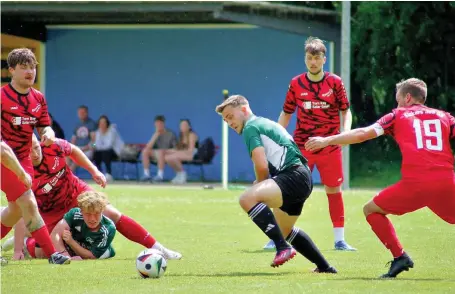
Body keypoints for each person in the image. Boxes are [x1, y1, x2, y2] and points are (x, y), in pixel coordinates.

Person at [305, 78, 455, 278]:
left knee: (371, 210)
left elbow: (362, 134)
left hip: (415, 184)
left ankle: (400, 256)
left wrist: (327, 140)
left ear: (408, 97)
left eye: (398, 99)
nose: (397, 103)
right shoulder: (445, 117)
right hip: (447, 181)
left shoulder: (398, 114)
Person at [4, 134, 182, 261]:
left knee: (111, 214)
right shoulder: (22, 171)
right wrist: (18, 249)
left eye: (36, 147)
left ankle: (158, 249)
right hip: (50, 210)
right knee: (44, 251)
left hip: (75, 192)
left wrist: (94, 171)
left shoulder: (52, 145)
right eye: (29, 151)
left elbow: (73, 150)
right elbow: (23, 211)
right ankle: (27, 240)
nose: (35, 153)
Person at [215, 95, 337, 272]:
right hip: (303, 177)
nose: (230, 123)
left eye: (230, 117)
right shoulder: (263, 122)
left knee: (247, 199)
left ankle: (282, 248)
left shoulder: (251, 127)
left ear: (243, 110)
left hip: (293, 176)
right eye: (226, 121)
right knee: (285, 230)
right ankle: (325, 267)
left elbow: (261, 164)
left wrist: (260, 184)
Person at [265, 37, 355, 251]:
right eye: (309, 57)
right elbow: (286, 113)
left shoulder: (335, 82)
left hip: (329, 145)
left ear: (324, 59)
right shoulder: (296, 83)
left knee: (334, 190)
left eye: (316, 57)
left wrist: (346, 133)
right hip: (302, 148)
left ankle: (340, 240)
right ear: (305, 59)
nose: (312, 62)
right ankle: (277, 237)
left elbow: (345, 110)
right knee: (290, 190)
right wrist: (276, 137)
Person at [0, 48, 70, 265]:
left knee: (15, 211)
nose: (30, 72)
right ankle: (53, 254)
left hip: (24, 159)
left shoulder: (38, 98)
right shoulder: (2, 98)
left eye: (32, 67)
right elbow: (2, 149)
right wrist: (21, 174)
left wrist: (49, 135)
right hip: (4, 159)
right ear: (12, 70)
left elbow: (45, 127)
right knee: (28, 202)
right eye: (24, 68)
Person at [30, 191, 116, 260]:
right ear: (81, 211)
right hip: (69, 249)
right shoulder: (75, 214)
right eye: (88, 214)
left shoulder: (108, 228)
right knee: (40, 252)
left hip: (91, 251)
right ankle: (26, 241)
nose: (92, 219)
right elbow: (55, 234)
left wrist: (71, 242)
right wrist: (65, 256)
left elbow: (91, 256)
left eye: (97, 213)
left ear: (102, 211)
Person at [141, 115, 177, 182]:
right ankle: (146, 175)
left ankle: (160, 175)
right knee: (145, 151)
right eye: (157, 123)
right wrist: (156, 135)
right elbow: (148, 147)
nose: (158, 125)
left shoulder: (171, 134)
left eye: (160, 123)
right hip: (156, 154)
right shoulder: (155, 133)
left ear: (163, 124)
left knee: (160, 152)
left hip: (167, 154)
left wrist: (165, 151)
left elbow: (175, 149)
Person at [164, 119, 199, 184]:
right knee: (167, 157)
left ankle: (183, 174)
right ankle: (179, 174)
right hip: (184, 153)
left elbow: (190, 150)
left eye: (185, 125)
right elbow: (178, 149)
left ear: (189, 127)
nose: (183, 127)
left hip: (193, 154)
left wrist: (175, 152)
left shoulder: (192, 135)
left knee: (173, 157)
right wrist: (168, 151)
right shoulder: (181, 137)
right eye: (181, 125)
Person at [93, 115, 122, 182]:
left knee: (106, 152)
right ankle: (99, 173)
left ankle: (109, 174)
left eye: (104, 123)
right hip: (103, 151)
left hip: (115, 152)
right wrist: (93, 143)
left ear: (107, 124)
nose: (102, 124)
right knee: (96, 153)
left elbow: (109, 145)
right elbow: (95, 145)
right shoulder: (97, 132)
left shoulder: (112, 131)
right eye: (100, 123)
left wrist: (98, 146)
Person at [69, 105, 97, 171]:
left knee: (77, 160)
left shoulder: (92, 124)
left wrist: (90, 147)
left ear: (87, 113)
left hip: (88, 149)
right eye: (80, 113)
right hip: (78, 148)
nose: (81, 114)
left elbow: (94, 142)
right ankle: (66, 175)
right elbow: (73, 140)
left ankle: (67, 176)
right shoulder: (77, 125)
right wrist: (70, 148)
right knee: (66, 156)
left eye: (83, 113)